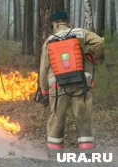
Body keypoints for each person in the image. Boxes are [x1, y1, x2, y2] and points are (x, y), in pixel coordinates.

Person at [39, 11, 104, 154]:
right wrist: (92, 56)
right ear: (67, 21)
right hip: (81, 81)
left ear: (54, 24)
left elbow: (44, 68)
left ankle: (55, 155)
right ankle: (87, 153)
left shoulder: (49, 41)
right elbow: (99, 41)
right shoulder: (80, 33)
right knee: (83, 115)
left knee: (57, 117)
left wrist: (44, 89)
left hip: (57, 85)